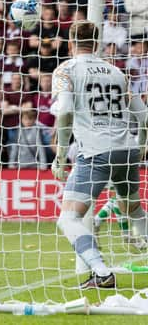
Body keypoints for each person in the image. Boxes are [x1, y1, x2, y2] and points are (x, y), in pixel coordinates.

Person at [51, 21, 148, 289]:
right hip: (127, 149)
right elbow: (145, 117)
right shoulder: (117, 72)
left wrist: (60, 154)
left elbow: (65, 110)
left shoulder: (66, 70)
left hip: (95, 151)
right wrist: (141, 144)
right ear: (97, 44)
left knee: (68, 218)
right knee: (135, 209)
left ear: (71, 43)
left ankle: (102, 272)